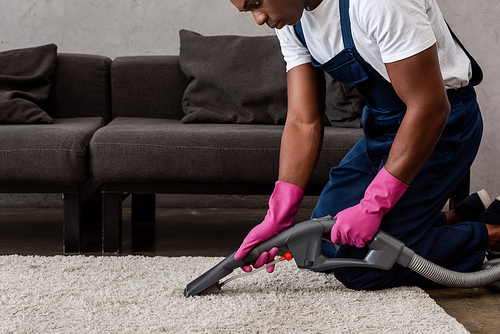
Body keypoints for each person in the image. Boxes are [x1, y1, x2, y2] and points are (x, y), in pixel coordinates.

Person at [229, 0, 500, 290]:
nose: (258, 19)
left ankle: (493, 233)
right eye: (248, 11)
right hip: (383, 129)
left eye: (256, 3)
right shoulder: (291, 19)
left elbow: (430, 107)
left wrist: (374, 205)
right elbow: (302, 121)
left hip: (442, 129)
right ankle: (457, 217)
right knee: (326, 238)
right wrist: (278, 216)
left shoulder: (378, 3)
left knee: (362, 266)